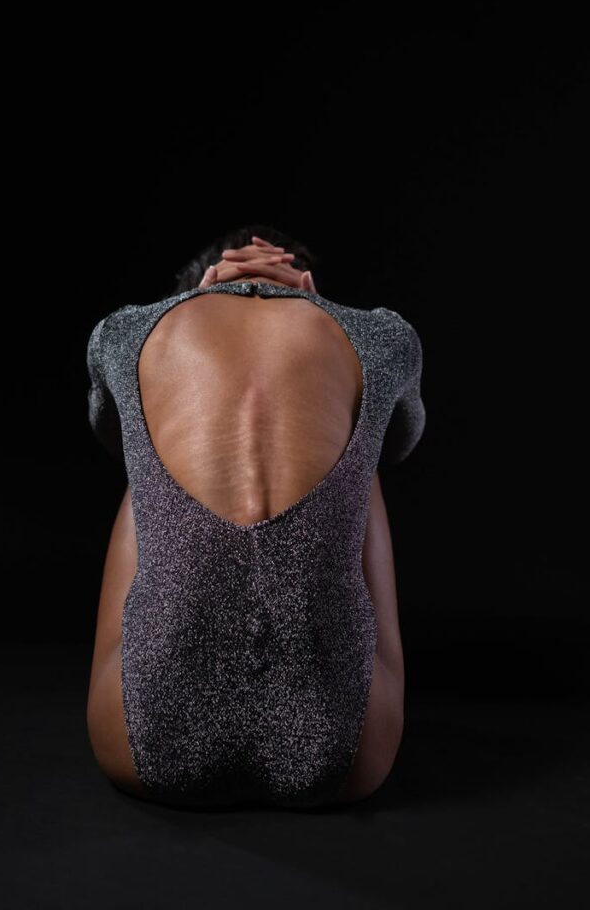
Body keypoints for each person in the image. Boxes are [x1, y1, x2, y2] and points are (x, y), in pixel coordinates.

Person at [85, 225, 426, 808]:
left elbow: (112, 436)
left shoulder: (126, 331)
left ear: (196, 287)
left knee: (144, 453)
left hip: (146, 742)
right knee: (361, 457)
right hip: (344, 754)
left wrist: (194, 318)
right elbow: (402, 442)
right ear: (310, 286)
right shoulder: (378, 335)